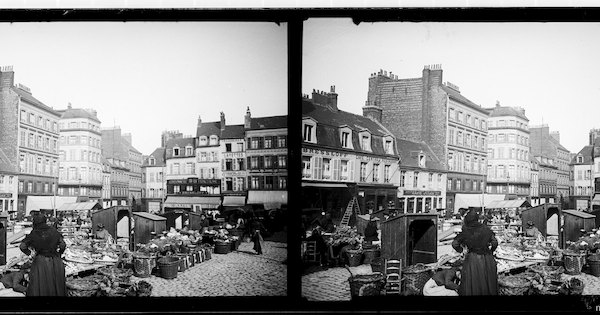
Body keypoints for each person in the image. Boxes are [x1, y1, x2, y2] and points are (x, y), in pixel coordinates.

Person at [452, 209, 499, 296]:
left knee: (474, 282)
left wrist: (461, 250)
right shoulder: (485, 228)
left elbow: (455, 243)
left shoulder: (466, 230)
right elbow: (495, 242)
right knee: (487, 282)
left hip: (473, 259)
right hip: (488, 258)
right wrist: (491, 251)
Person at [19, 214, 66, 296]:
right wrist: (59, 253)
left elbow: (22, 246)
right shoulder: (54, 231)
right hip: (56, 261)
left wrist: (30, 253)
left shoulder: (34, 233)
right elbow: (63, 245)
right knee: (55, 284)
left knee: (41, 284)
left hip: (41, 261)